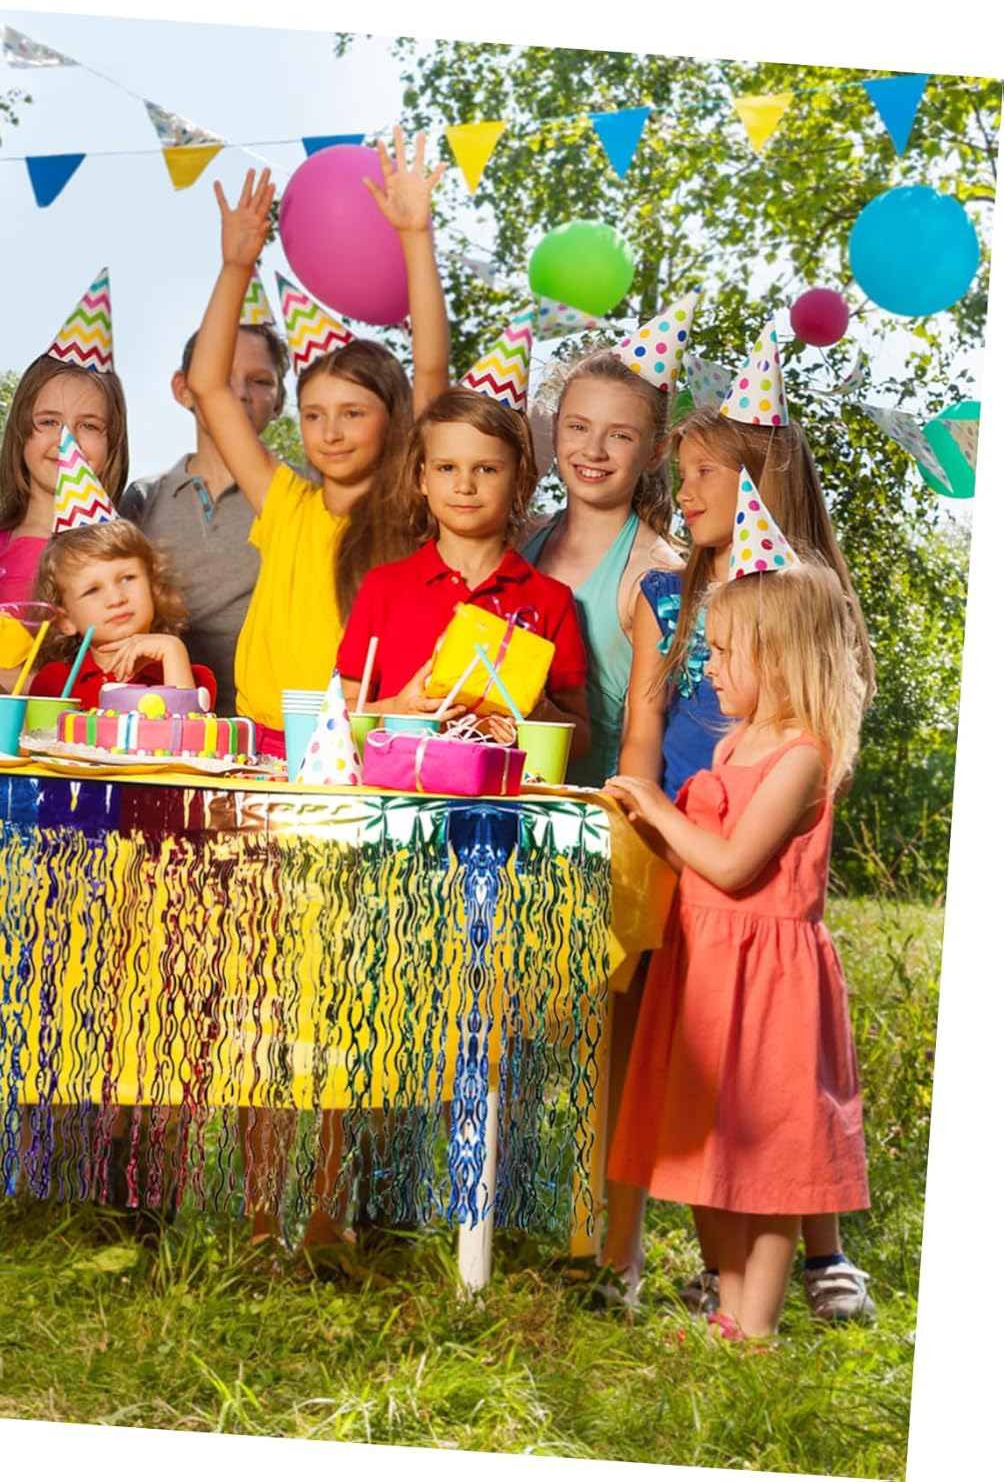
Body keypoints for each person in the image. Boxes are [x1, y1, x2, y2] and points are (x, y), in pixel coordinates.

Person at [606, 381, 877, 1321]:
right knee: (707, 1119)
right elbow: (650, 732)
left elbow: (738, 859)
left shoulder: (798, 715)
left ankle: (781, 1291)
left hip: (758, 944)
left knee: (772, 1126)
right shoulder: (692, 642)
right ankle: (721, 1293)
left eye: (703, 473)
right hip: (703, 934)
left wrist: (659, 809)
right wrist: (642, 814)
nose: (682, 492)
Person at [186, 129, 452, 757]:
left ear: (394, 420)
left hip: (358, 746)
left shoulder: (406, 508)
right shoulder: (285, 503)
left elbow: (432, 371)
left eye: (353, 413)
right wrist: (236, 266)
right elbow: (209, 386)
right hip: (260, 747)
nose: (330, 432)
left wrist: (415, 236)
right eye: (314, 415)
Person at [0, 270, 128, 741]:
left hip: (58, 768)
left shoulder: (120, 563)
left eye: (89, 425)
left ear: (113, 444)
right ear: (21, 433)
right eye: (48, 421)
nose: (66, 439)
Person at [336, 387, 590, 758]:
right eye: (446, 468)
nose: (465, 486)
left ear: (519, 480)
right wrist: (397, 710)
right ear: (422, 479)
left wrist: (537, 714)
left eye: (486, 469)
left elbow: (580, 738)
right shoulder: (384, 588)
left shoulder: (551, 600)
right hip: (394, 789)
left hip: (505, 793)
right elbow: (338, 716)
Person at [517, 326, 691, 783]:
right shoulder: (520, 540)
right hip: (495, 802)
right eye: (578, 427)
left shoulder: (655, 575)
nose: (592, 450)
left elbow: (646, 740)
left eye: (620, 436)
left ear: (655, 452)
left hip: (590, 815)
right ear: (556, 428)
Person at [118, 311, 289, 716]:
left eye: (260, 381)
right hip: (163, 725)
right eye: (221, 376)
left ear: (280, 400)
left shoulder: (304, 497)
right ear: (184, 389)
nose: (240, 392)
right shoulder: (143, 498)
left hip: (273, 729)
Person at [27, 516, 216, 708]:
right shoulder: (55, 682)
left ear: (153, 586)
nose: (116, 599)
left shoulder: (192, 678)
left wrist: (172, 651)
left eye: (127, 578)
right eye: (92, 590)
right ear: (66, 620)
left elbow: (186, 725)